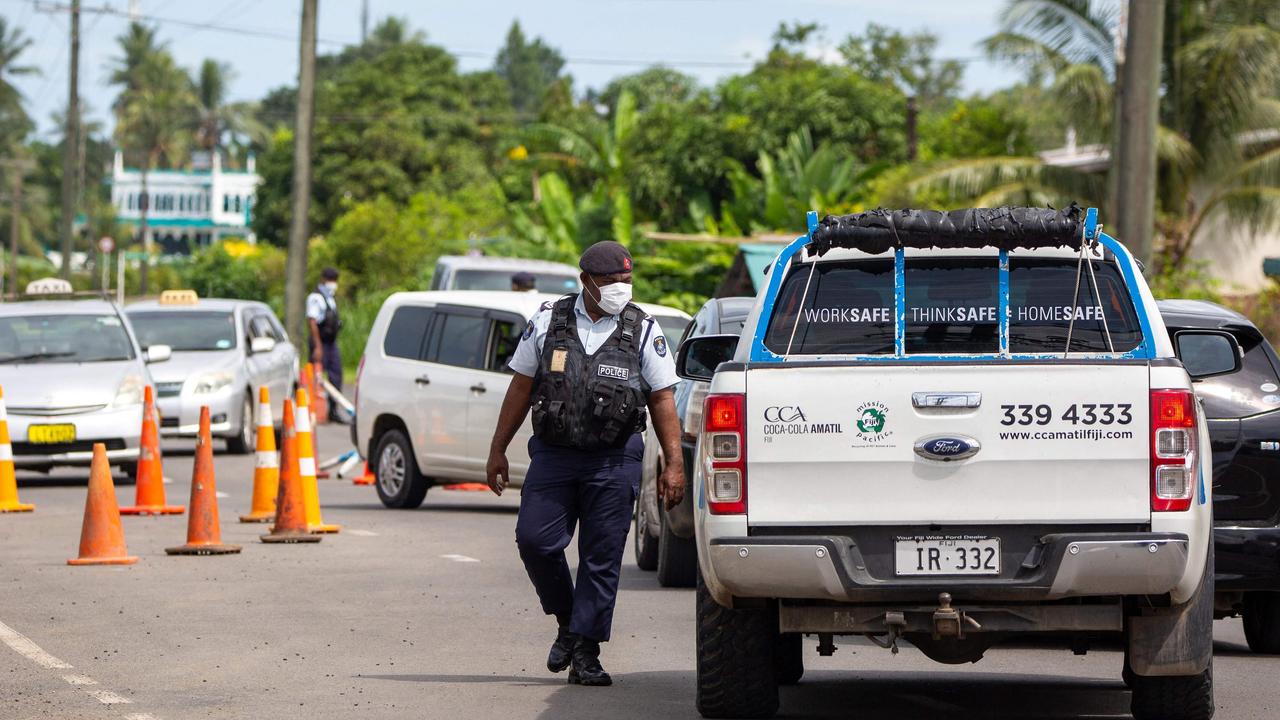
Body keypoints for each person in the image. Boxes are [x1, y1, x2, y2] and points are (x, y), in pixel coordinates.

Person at [487, 241, 685, 687]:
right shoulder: (548, 321)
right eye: (612, 281)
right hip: (555, 454)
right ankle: (568, 622)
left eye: (627, 280)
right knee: (534, 541)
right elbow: (520, 387)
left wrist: (674, 464)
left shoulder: (642, 328)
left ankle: (586, 653)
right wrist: (498, 449)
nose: (621, 288)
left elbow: (662, 398)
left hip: (614, 458)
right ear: (586, 282)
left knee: (601, 558)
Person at [305, 267, 344, 423]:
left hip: (331, 343)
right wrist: (318, 346)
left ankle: (333, 410)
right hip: (320, 342)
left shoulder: (330, 298)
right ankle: (309, 411)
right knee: (315, 376)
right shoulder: (316, 298)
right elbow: (312, 321)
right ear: (323, 279)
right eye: (330, 279)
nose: (333, 283)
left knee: (336, 375)